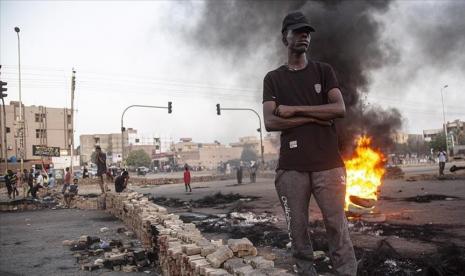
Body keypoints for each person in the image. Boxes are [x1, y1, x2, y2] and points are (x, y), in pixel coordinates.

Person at [262, 11, 357, 275]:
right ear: (285, 38)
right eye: (298, 31)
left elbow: (338, 109)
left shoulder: (323, 71)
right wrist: (315, 117)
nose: (305, 35)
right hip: (292, 168)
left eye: (307, 32)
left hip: (329, 166)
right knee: (297, 231)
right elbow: (270, 121)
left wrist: (293, 110)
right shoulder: (273, 78)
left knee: (337, 227)